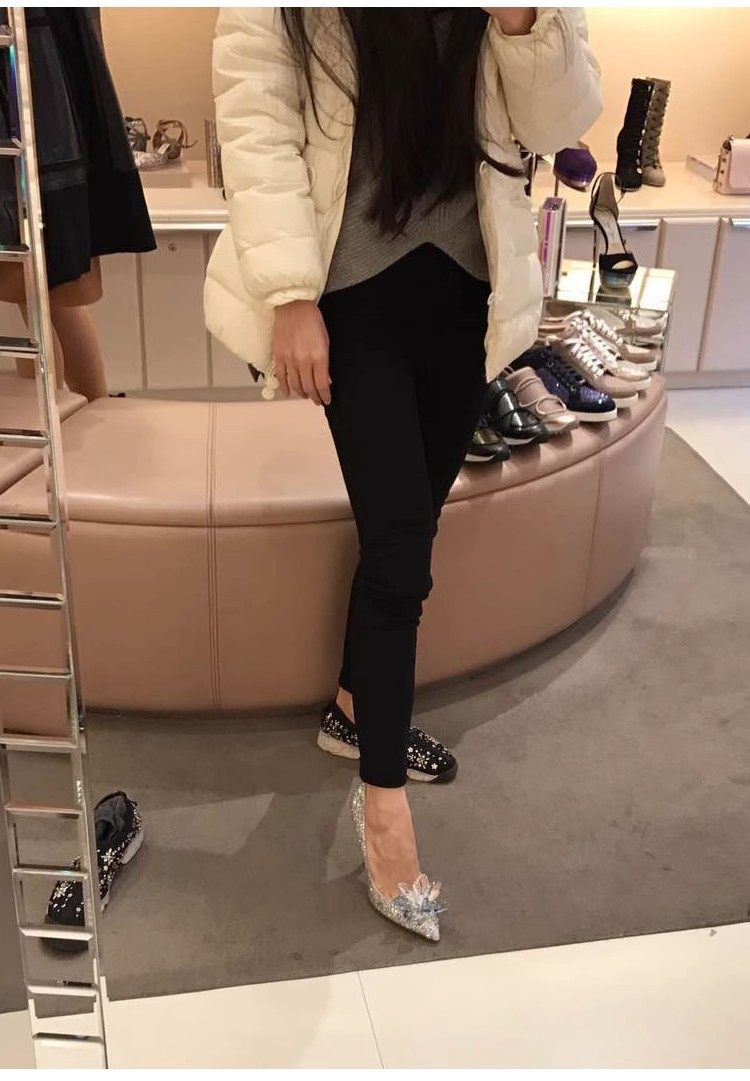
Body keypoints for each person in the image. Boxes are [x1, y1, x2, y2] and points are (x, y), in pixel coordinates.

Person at [205, 7, 601, 940]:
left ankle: (355, 707)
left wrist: (523, 23)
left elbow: (557, 123)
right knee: (397, 550)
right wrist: (288, 295)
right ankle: (383, 805)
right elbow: (257, 120)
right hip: (349, 292)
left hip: (469, 287)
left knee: (414, 522)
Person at [0, 8, 155, 400]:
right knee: (40, 291)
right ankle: (83, 413)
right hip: (44, 90)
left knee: (37, 288)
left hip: (32, 88)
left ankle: (65, 418)